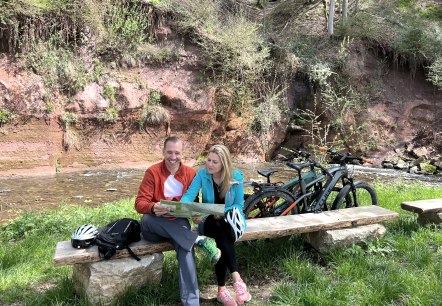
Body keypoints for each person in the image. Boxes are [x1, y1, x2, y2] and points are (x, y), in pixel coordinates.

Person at [135, 136, 221, 306]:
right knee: (148, 219)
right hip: (154, 225)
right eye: (169, 152)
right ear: (163, 152)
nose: (173, 157)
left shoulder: (190, 174)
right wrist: (153, 207)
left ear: (182, 154)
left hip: (179, 224)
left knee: (186, 248)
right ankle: (197, 239)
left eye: (177, 153)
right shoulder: (152, 172)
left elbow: (193, 204)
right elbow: (139, 203)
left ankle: (191, 303)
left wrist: (196, 215)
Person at [181, 144, 251, 306]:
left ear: (223, 164)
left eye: (215, 162)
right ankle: (237, 280)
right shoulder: (202, 175)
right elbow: (189, 196)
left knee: (221, 232)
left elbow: (239, 204)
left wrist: (222, 212)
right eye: (208, 160)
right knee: (217, 229)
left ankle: (222, 290)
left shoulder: (236, 177)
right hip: (209, 222)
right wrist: (190, 211)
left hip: (232, 224)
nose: (209, 164)